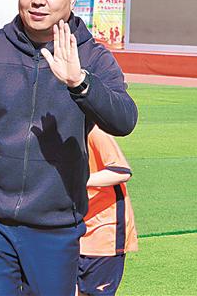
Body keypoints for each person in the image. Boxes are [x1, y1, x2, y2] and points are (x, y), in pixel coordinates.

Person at [0, 0, 138, 296]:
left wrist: (80, 83)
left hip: (56, 226)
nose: (37, 0)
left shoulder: (92, 57)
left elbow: (124, 120)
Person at [78, 126, 138, 296]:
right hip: (72, 232)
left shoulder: (93, 129)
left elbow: (121, 171)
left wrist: (79, 180)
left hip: (104, 234)